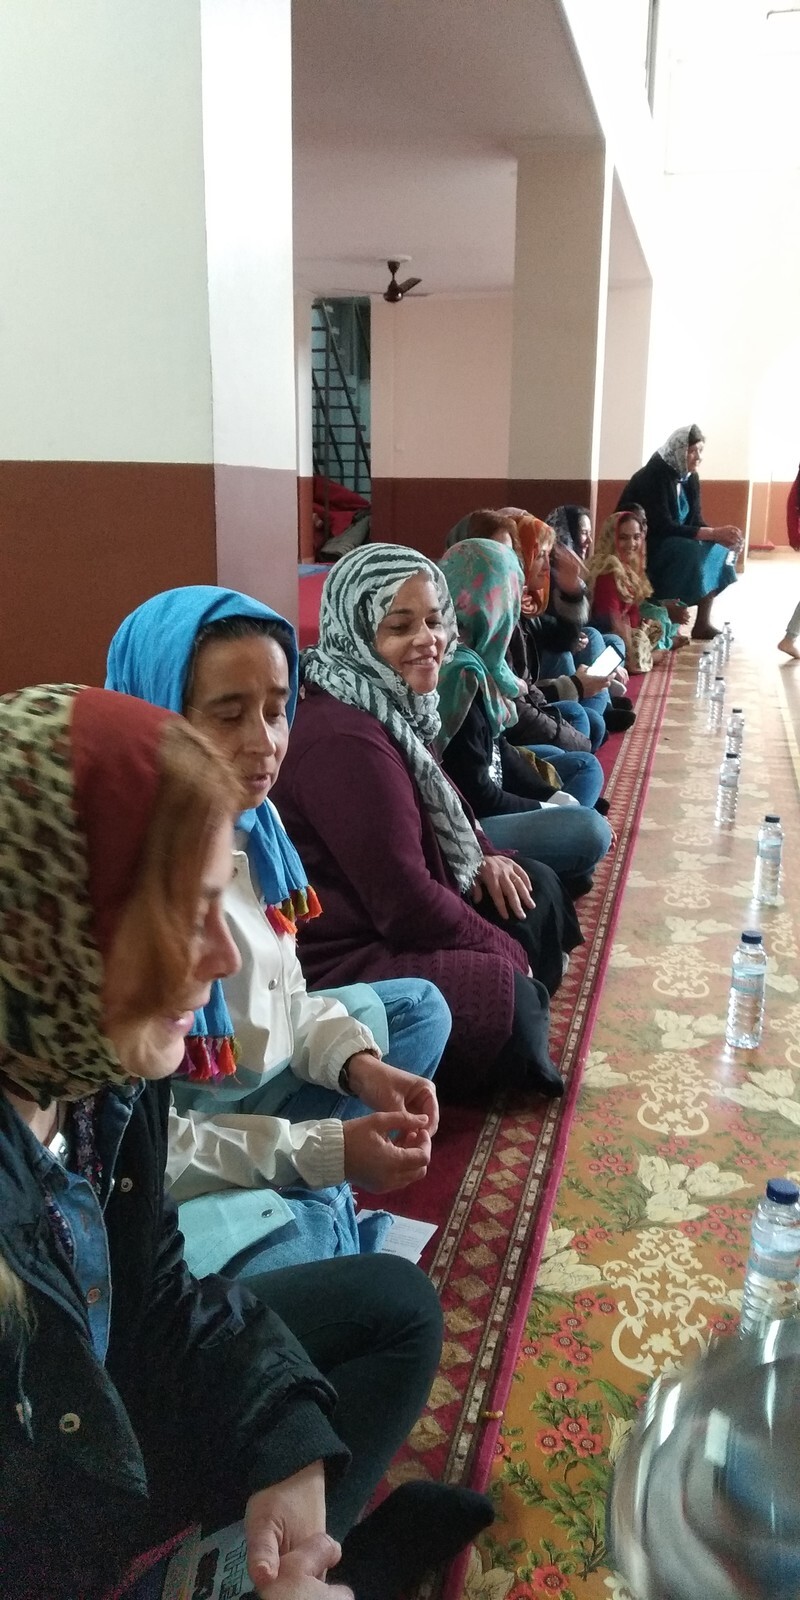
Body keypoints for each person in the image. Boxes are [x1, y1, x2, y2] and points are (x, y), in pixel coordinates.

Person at [0, 684, 492, 1600]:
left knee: (395, 1309)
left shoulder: (99, 1072)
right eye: (183, 912)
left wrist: (285, 1438)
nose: (224, 956)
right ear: (48, 929)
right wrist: (319, 1154)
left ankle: (301, 1559)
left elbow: (156, 1294)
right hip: (59, 1516)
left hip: (102, 1416)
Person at [106, 587, 452, 1279]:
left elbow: (287, 997)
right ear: (159, 714)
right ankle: (312, 1207)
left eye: (275, 710)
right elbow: (143, 1152)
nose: (265, 744)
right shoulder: (117, 878)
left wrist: (360, 1068)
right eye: (228, 715)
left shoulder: (257, 830)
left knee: (422, 1010)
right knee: (340, 1280)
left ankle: (312, 1204)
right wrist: (319, 1152)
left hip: (254, 1083)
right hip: (179, 1149)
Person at [273, 543, 579, 1100]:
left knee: (535, 889)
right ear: (356, 631)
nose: (428, 639)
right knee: (508, 996)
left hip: (391, 912)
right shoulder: (343, 739)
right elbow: (405, 903)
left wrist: (485, 854)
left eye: (435, 621)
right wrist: (499, 949)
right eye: (399, 626)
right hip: (345, 950)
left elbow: (450, 798)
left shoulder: (382, 700)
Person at [435, 538, 612, 886]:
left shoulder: (477, 660)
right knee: (591, 830)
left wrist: (557, 800)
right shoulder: (458, 676)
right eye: (510, 595)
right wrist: (551, 810)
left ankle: (555, 866)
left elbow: (499, 749)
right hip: (469, 825)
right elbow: (478, 795)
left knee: (582, 776)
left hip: (493, 791)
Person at [616, 424, 742, 640]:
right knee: (690, 552)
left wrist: (722, 536)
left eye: (700, 451)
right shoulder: (653, 476)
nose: (698, 457)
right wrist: (713, 532)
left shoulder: (690, 478)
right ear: (679, 451)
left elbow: (696, 520)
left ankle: (702, 623)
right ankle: (670, 623)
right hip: (647, 542)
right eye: (692, 451)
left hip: (677, 539)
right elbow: (663, 525)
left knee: (717, 549)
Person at [588, 511, 688, 672]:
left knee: (655, 625)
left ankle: (655, 648)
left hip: (620, 632)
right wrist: (650, 655)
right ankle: (647, 657)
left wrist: (641, 626)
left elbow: (632, 614)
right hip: (602, 638)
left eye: (636, 537)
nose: (631, 544)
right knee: (628, 642)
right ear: (611, 538)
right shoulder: (608, 570)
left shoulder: (627, 568)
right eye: (623, 537)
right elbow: (613, 624)